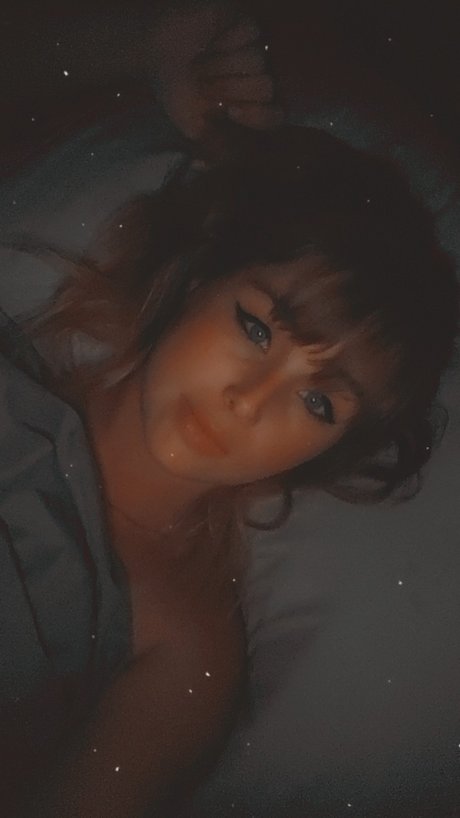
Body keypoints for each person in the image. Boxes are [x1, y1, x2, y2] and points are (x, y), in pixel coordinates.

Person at [1, 3, 459, 817]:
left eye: (317, 400)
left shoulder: (184, 652)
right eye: (255, 328)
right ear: (195, 280)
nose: (250, 400)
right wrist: (139, 45)